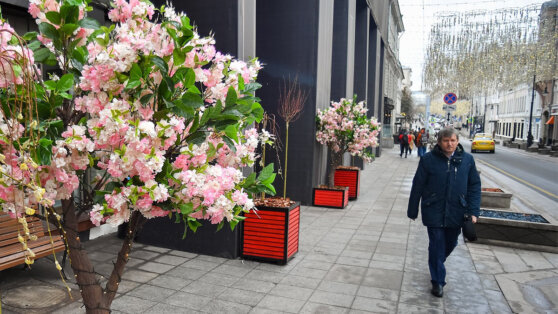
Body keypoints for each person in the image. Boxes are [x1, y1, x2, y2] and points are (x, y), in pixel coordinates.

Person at [407, 127, 481, 298]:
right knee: (436, 244)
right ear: (439, 142)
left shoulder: (467, 160)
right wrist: (413, 210)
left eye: (453, 140)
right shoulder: (428, 159)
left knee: (450, 243)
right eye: (446, 141)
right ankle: (438, 281)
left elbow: (474, 187)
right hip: (433, 209)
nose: (450, 144)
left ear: (457, 142)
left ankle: (437, 261)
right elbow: (417, 185)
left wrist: (473, 211)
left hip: (457, 211)